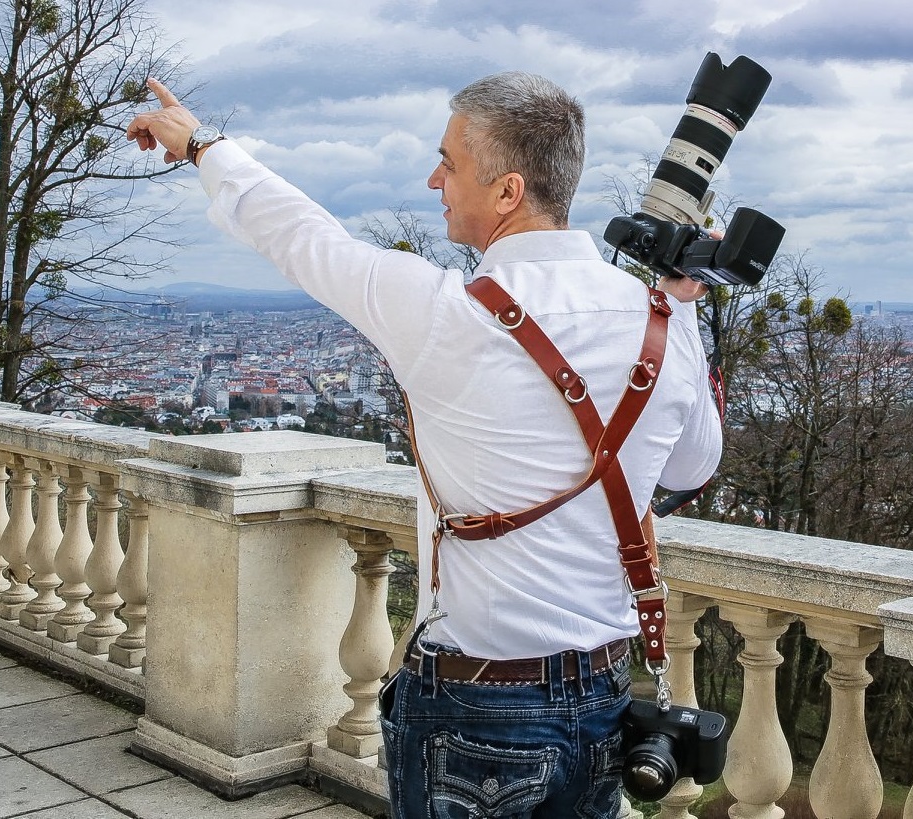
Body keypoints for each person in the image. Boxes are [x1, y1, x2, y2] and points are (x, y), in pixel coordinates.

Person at [127, 72, 722, 818]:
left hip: (475, 701)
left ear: (507, 191)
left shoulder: (442, 313)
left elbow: (302, 237)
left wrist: (204, 146)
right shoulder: (657, 321)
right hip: (605, 695)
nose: (433, 178)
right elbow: (693, 463)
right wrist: (684, 308)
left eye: (448, 161)